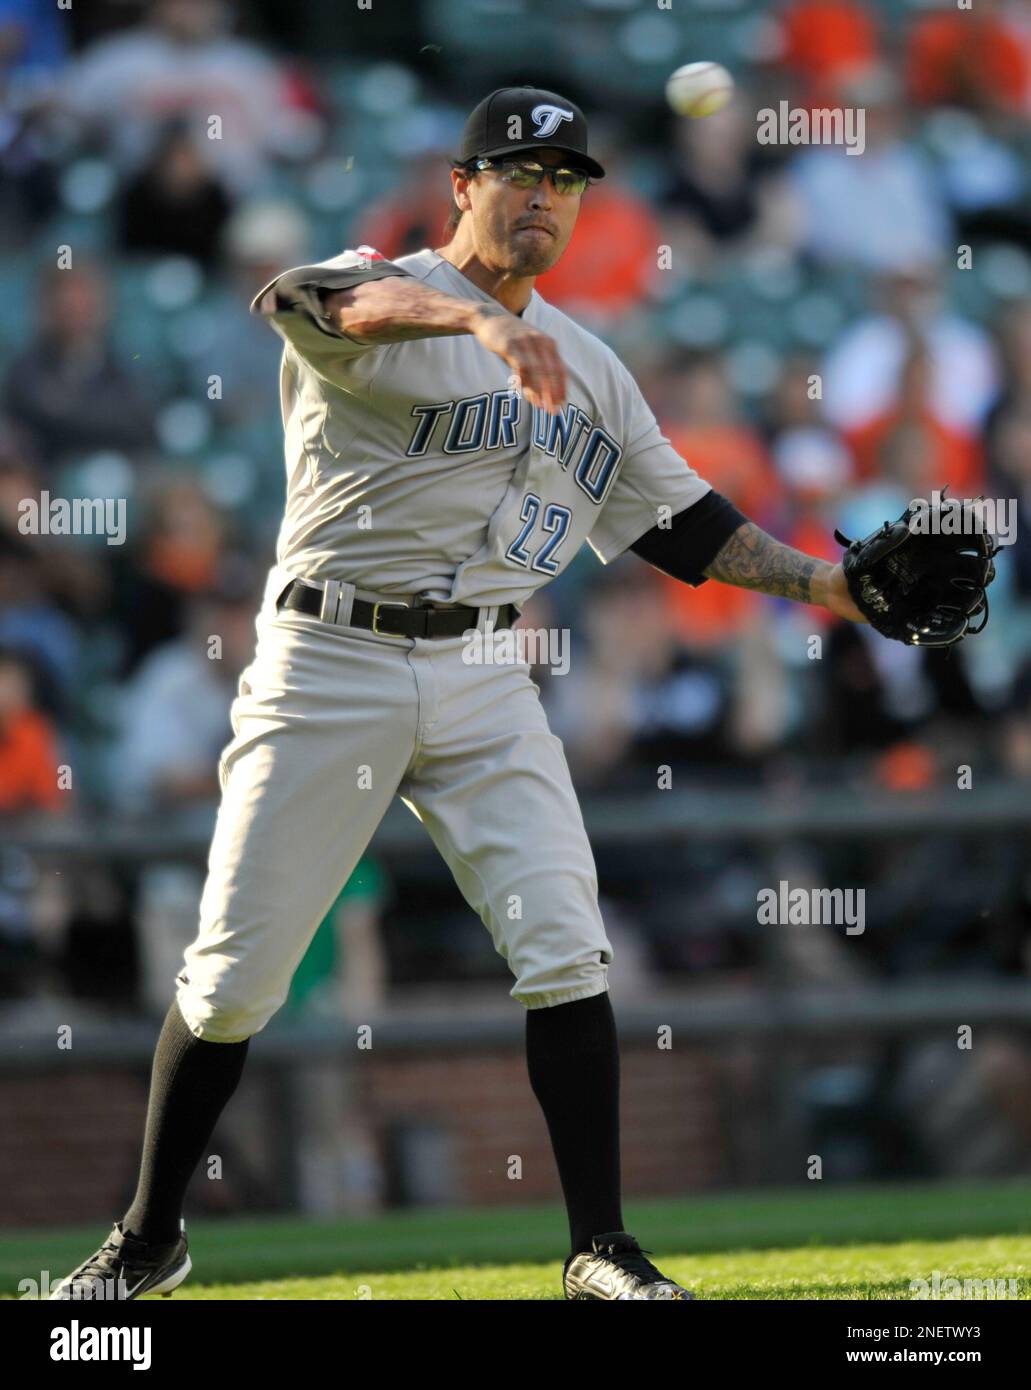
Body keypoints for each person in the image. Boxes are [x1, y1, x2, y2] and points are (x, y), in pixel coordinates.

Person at [51, 86, 865, 1303]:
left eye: (565, 180)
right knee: (234, 974)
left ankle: (600, 1247)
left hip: (488, 668)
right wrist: (475, 324)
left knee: (564, 944)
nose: (542, 196)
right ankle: (147, 1238)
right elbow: (318, 301)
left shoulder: (589, 367)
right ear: (462, 185)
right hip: (330, 659)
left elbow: (688, 528)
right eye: (518, 172)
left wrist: (841, 589)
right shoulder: (383, 285)